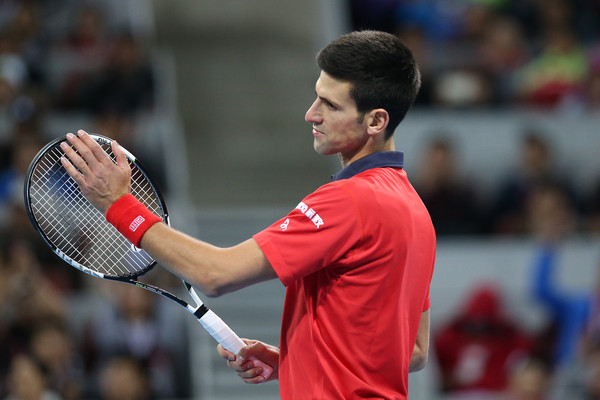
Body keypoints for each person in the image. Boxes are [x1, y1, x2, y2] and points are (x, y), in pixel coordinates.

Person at [58, 30, 436, 399]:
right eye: (316, 97)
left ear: (376, 121)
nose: (311, 114)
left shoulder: (349, 201)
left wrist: (118, 204)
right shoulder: (415, 211)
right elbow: (414, 351)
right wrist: (294, 360)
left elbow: (215, 274)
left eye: (331, 106)